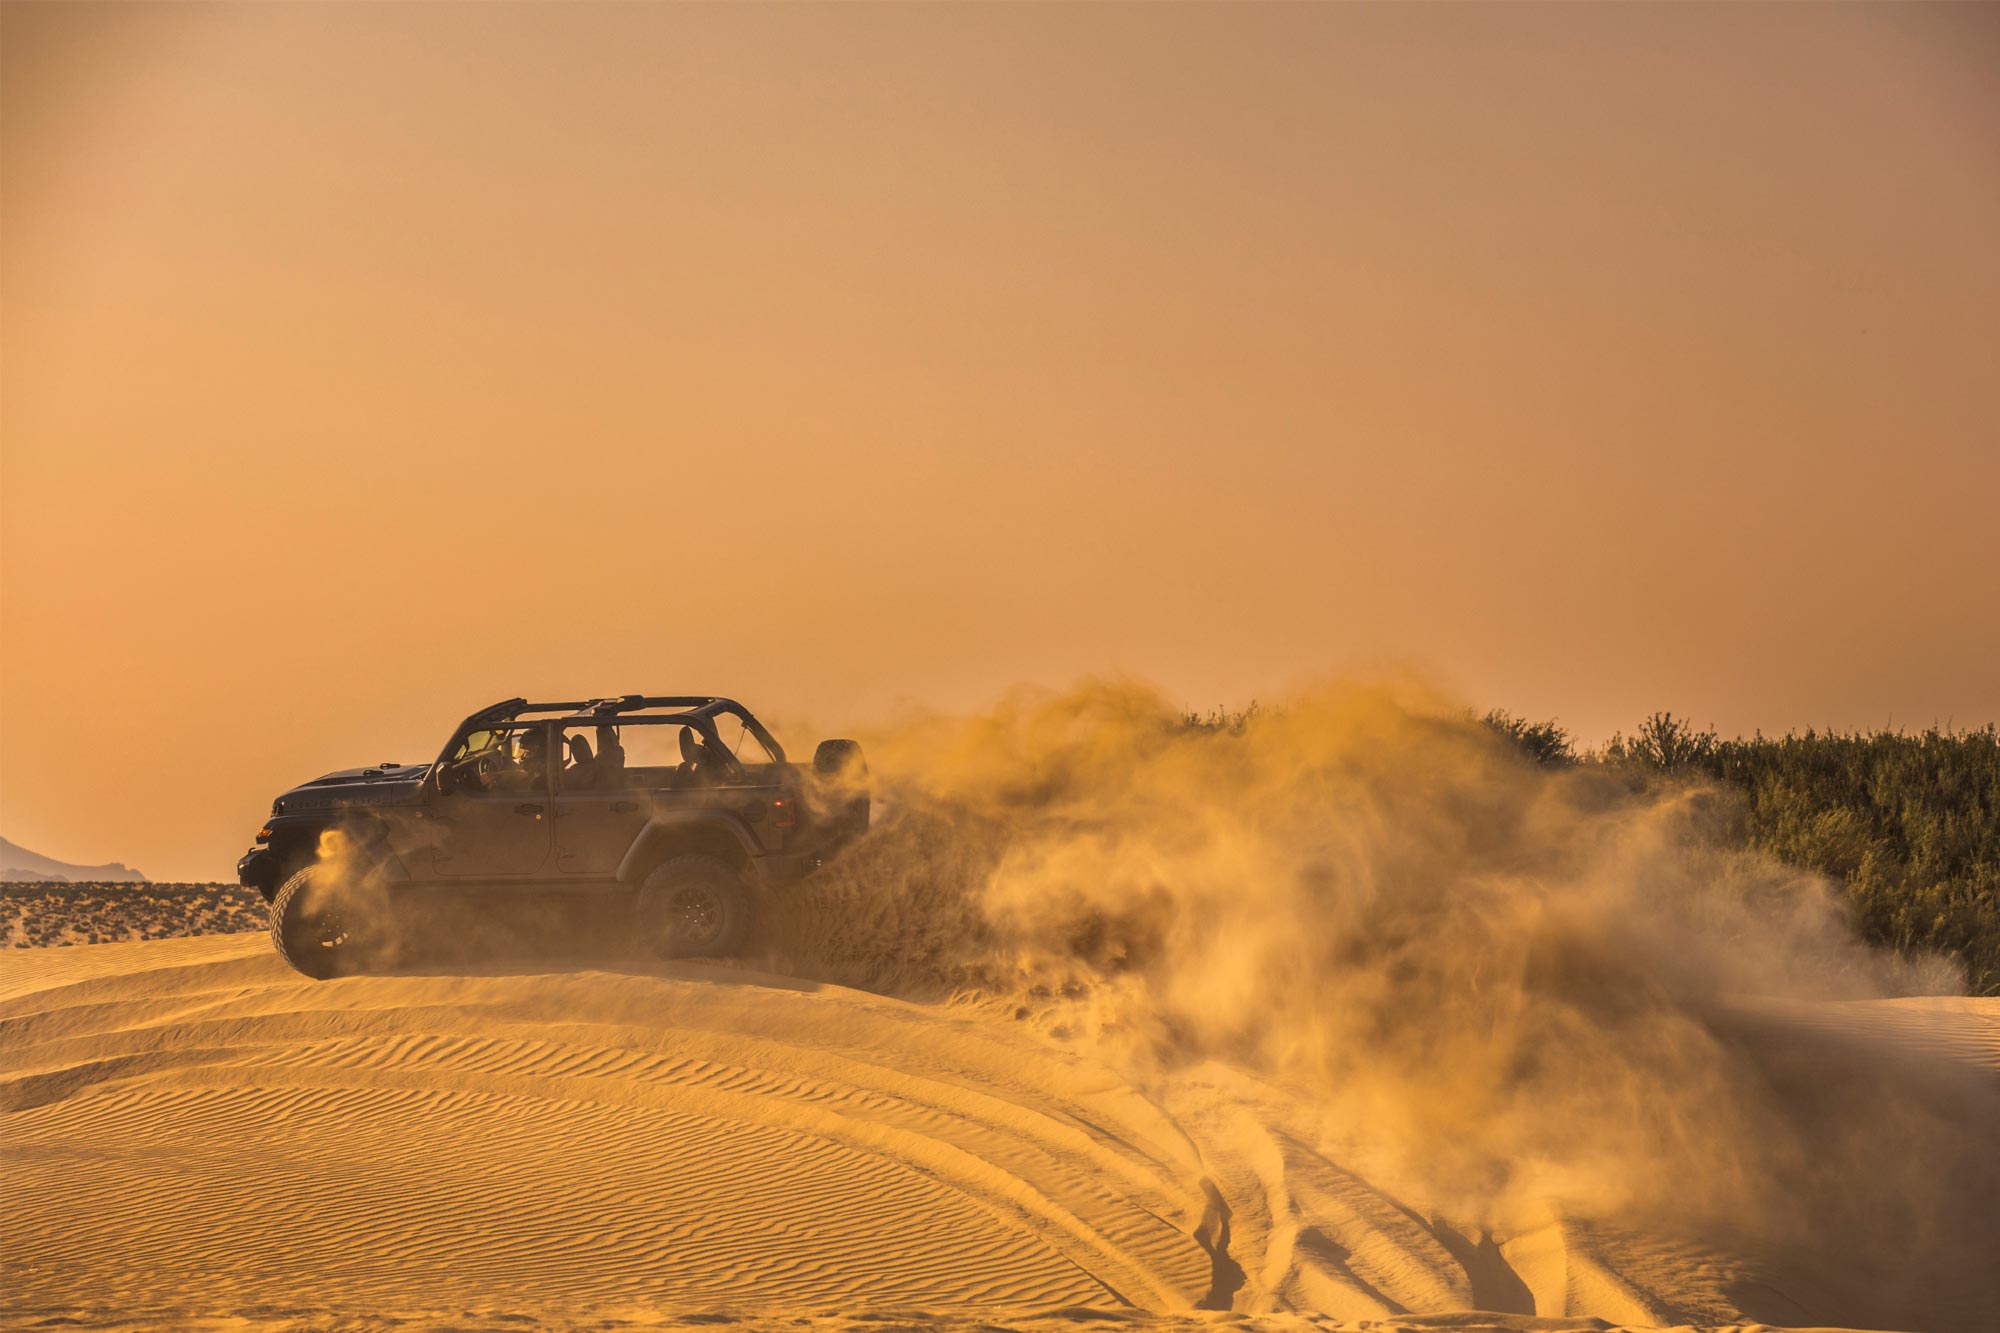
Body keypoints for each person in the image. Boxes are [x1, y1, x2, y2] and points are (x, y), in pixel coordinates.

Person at [491, 728, 550, 793]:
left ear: (537, 750)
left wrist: (494, 776)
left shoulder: (542, 766)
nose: (524, 754)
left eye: (528, 751)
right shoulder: (544, 764)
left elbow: (523, 774)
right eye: (523, 750)